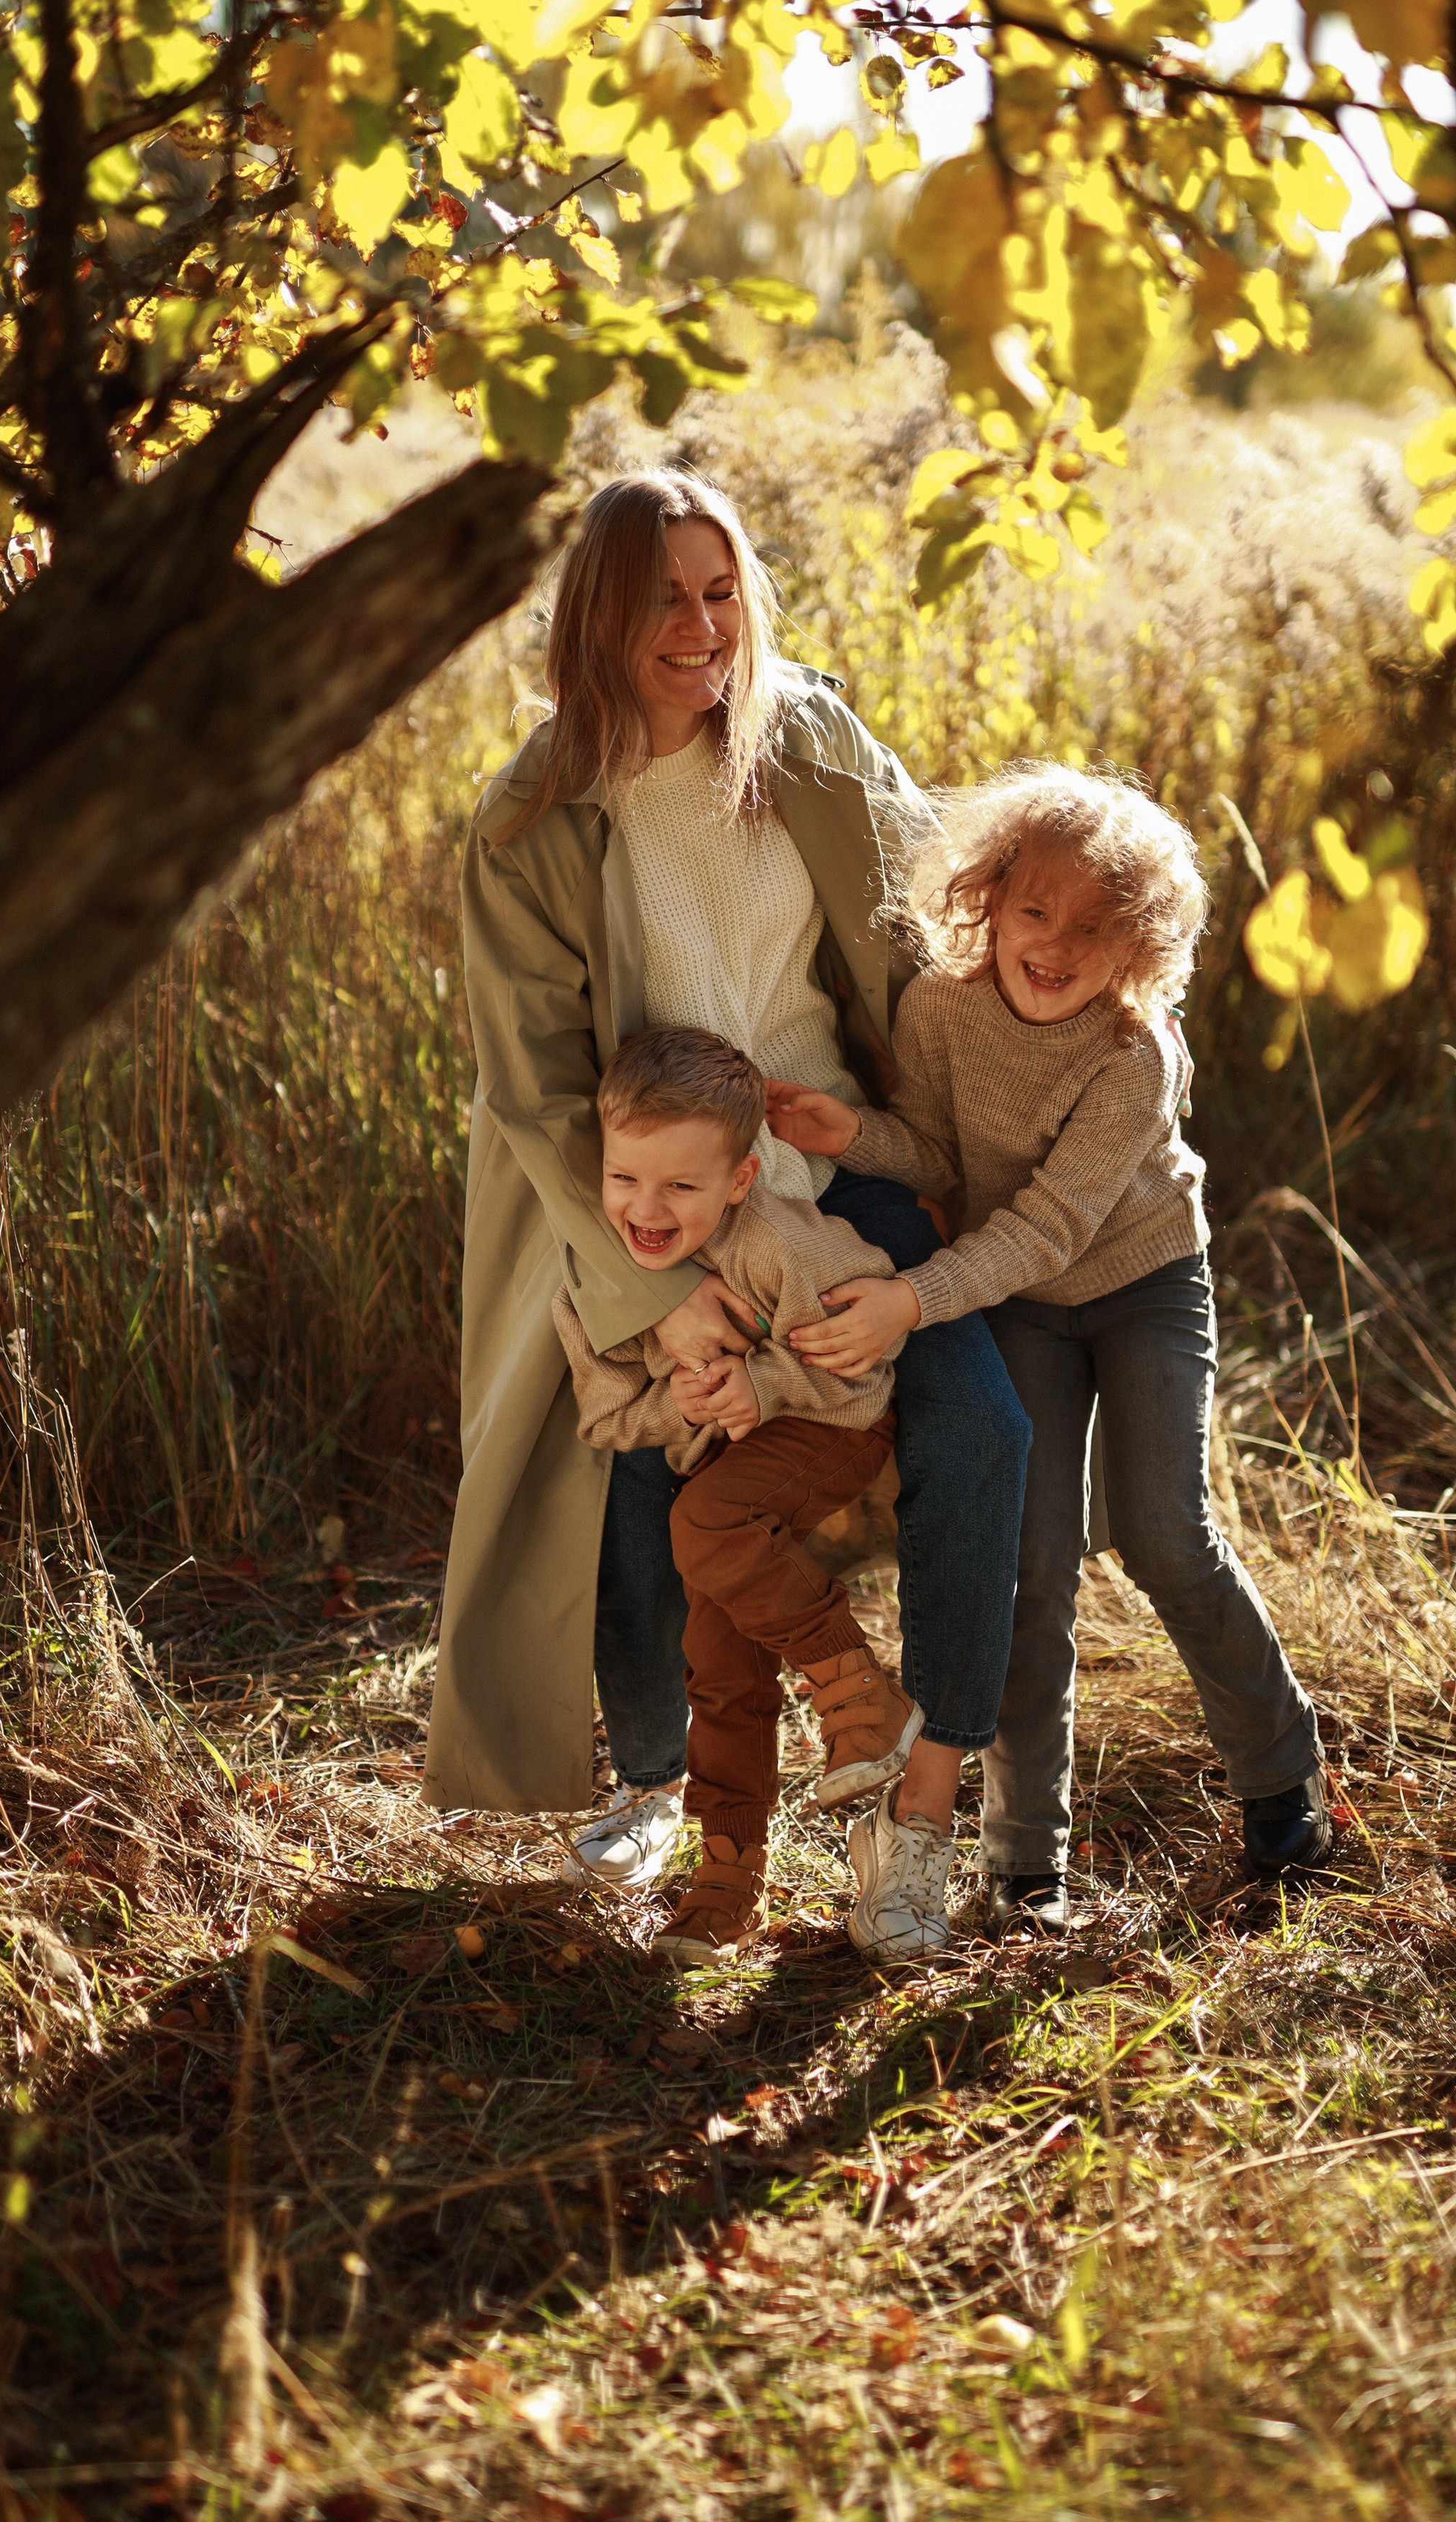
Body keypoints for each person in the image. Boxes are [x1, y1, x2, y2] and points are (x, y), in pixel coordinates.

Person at [420, 468, 1031, 1962]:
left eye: (720, 591)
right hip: (646, 1195)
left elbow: (934, 911)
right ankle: (652, 1780)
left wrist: (1048, 1075)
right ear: (594, 623)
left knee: (979, 1430)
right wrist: (660, 1289)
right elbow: (536, 1086)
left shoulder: (805, 732)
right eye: (661, 603)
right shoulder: (533, 817)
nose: (701, 628)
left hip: (845, 1162)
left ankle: (925, 1804)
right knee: (631, 1481)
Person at [768, 762, 1335, 1940]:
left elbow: (1052, 1223)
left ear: (1138, 945)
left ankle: (1284, 1780)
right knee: (1030, 1560)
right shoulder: (940, 1010)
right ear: (990, 901)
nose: (1057, 944)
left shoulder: (1135, 1056)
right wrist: (855, 1132)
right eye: (1036, 911)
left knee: (1163, 1531)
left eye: (1095, 927)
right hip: (1012, 1296)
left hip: (1138, 1282)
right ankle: (1026, 1862)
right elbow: (938, 1150)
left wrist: (913, 1303)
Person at [551, 1023, 920, 1965]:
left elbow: (866, 1365)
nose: (648, 1208)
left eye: (682, 1186)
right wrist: (679, 1407)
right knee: (715, 1656)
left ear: (739, 1182)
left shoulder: (779, 1246)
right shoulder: (594, 1285)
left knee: (702, 1518)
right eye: (626, 1179)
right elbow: (605, 1419)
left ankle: (857, 1692)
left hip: (830, 1429)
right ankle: (726, 1881)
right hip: (720, 1477)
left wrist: (766, 1387)